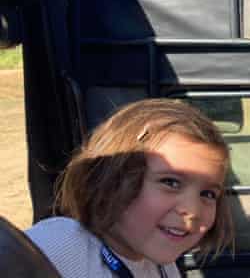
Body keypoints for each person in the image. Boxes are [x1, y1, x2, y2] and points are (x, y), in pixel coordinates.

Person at [26, 98, 234, 278]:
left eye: (208, 194)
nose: (193, 211)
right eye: (170, 182)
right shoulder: (61, 243)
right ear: (110, 178)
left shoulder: (162, 268)